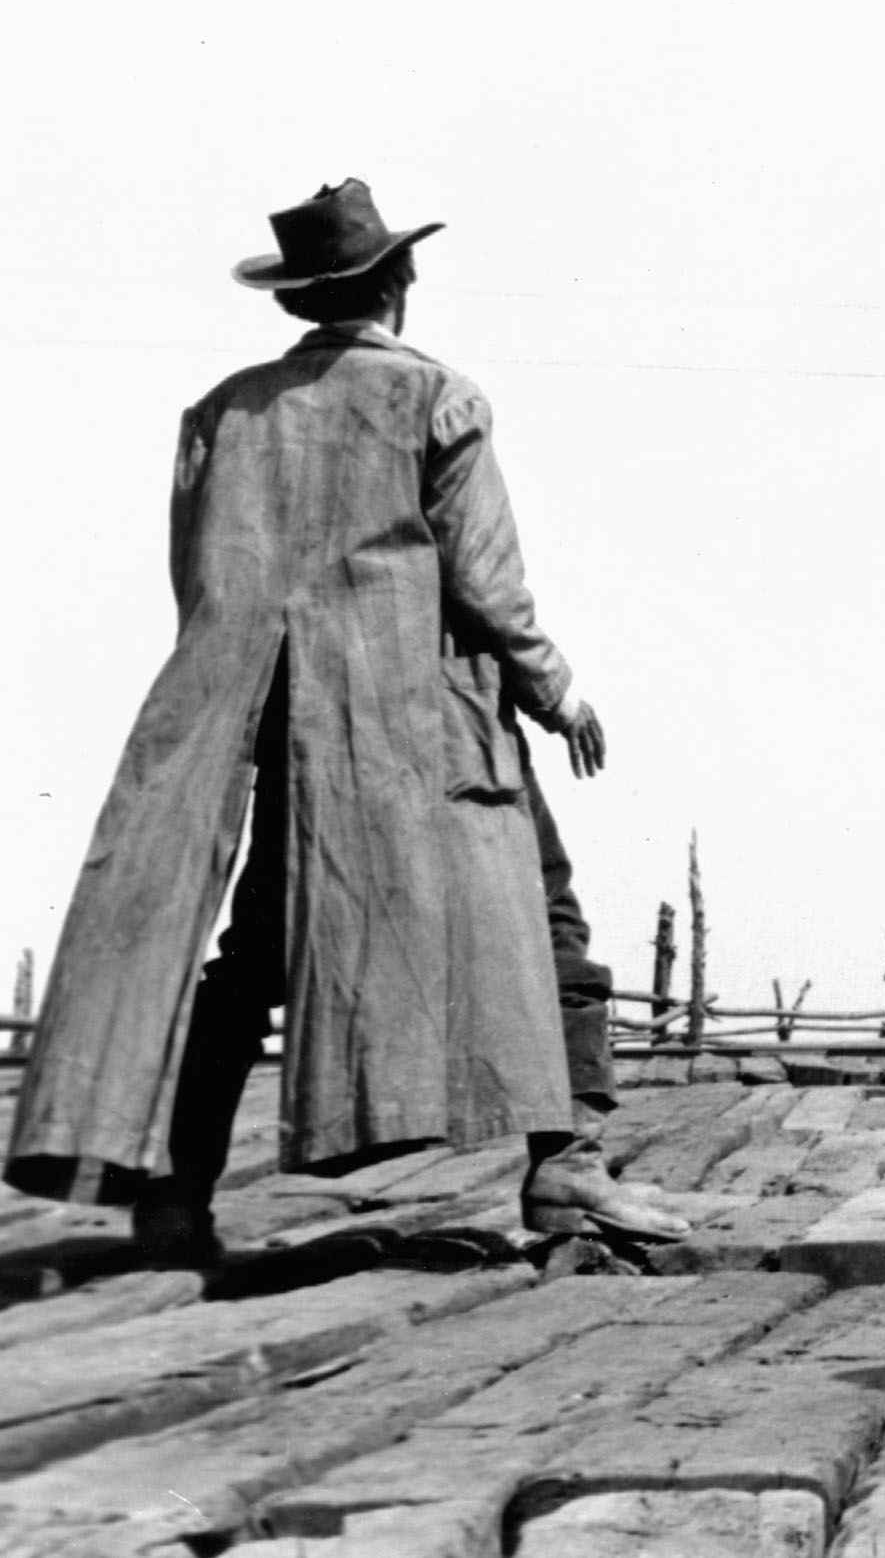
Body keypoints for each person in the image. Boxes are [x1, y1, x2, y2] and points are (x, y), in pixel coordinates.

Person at [6, 180, 682, 1259]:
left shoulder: (224, 412)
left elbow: (205, 581)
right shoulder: (438, 398)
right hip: (433, 725)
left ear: (295, 298)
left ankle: (175, 1195)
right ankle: (568, 1167)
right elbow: (484, 580)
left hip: (288, 725)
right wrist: (555, 690)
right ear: (399, 280)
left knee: (256, 953)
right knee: (545, 921)